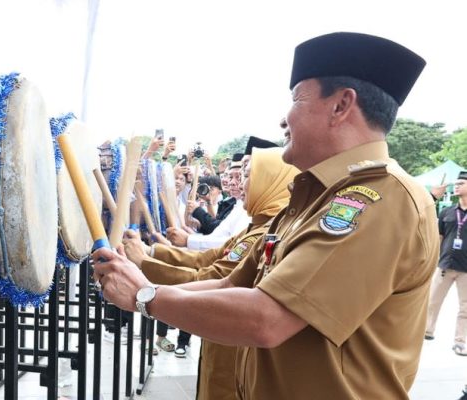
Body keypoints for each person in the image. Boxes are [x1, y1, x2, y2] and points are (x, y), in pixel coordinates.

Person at [92, 32, 437, 399]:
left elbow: (267, 318)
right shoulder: (311, 199)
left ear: (340, 106)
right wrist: (147, 285)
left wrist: (146, 297)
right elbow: (230, 284)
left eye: (297, 99)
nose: (283, 120)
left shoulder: (379, 199)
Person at [123, 147, 297, 399]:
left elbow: (210, 277)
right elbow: (208, 258)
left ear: (270, 182)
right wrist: (152, 253)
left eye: (248, 176)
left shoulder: (263, 232)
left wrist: (145, 274)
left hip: (235, 348)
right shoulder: (255, 226)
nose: (240, 185)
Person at [425, 171, 467, 356]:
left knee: (465, 308)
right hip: (445, 266)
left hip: (466, 270)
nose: (456, 186)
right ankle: (427, 331)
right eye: (456, 183)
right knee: (433, 302)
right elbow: (439, 238)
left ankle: (460, 341)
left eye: (461, 183)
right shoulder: (447, 212)